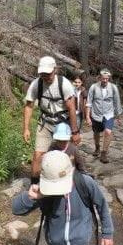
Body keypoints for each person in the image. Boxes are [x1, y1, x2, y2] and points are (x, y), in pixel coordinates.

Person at [12, 151, 114, 245]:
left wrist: (107, 233)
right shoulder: (46, 190)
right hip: (56, 244)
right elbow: (16, 209)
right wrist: (31, 197)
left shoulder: (85, 183)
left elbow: (102, 205)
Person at [23, 56, 80, 185]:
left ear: (55, 70)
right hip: (45, 122)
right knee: (38, 155)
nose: (45, 76)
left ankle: (70, 184)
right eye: (43, 74)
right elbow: (29, 105)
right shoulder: (36, 84)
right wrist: (26, 128)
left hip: (63, 123)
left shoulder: (64, 84)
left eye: (48, 73)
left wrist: (75, 132)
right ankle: (35, 185)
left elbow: (71, 108)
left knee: (66, 154)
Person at [85, 68, 123, 164]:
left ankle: (104, 153)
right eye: (103, 78)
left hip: (109, 114)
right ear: (99, 78)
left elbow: (117, 102)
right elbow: (89, 103)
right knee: (96, 133)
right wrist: (88, 117)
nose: (105, 80)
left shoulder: (113, 87)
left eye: (107, 78)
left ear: (109, 78)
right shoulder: (93, 87)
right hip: (96, 115)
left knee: (108, 132)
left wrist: (118, 116)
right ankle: (97, 147)